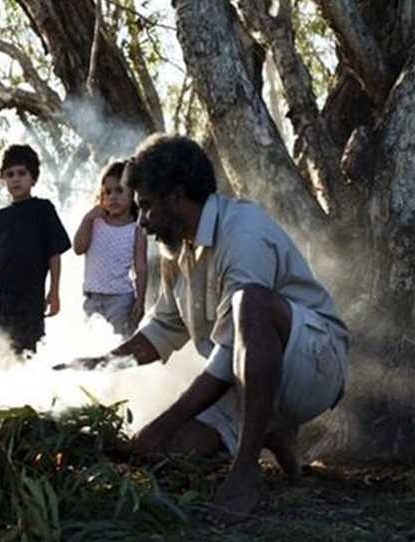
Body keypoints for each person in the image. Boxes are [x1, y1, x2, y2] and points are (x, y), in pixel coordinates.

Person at [59, 134, 348, 518]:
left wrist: (162, 422)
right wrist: (98, 364)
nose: (141, 222)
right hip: (247, 377)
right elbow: (161, 329)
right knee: (169, 450)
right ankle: (272, 431)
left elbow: (231, 351)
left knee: (252, 302)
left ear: (177, 197)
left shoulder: (243, 232)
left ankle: (245, 475)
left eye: (146, 207)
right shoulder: (177, 250)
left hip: (313, 365)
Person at [0, 144, 72, 357]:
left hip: (30, 300)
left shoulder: (43, 210)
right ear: (3, 179)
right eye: (10, 174)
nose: (16, 179)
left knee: (26, 355)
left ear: (33, 178)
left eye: (22, 173)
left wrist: (54, 291)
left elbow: (54, 254)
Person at [73, 160, 147, 337]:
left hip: (121, 300)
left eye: (119, 191)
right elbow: (78, 248)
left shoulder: (136, 229)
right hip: (92, 298)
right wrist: (87, 219)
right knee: (90, 344)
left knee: (117, 346)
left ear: (133, 195)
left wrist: (140, 300)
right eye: (107, 192)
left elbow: (141, 268)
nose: (112, 196)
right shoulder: (95, 222)